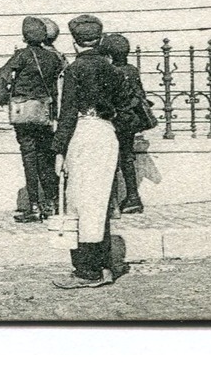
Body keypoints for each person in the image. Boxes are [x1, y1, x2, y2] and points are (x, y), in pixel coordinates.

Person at [50, 14, 127, 287]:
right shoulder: (113, 70)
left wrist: (59, 149)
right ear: (100, 39)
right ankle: (105, 266)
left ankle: (87, 271)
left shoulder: (74, 70)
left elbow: (67, 112)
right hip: (107, 133)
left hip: (83, 133)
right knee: (101, 201)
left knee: (81, 202)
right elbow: (124, 108)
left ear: (74, 42)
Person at [0, 16, 65, 222]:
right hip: (45, 112)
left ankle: (33, 205)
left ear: (25, 37)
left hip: (23, 113)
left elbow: (2, 75)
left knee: (29, 158)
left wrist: (3, 97)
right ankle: (51, 203)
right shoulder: (54, 58)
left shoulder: (22, 55)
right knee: (46, 157)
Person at [100, 32, 149, 215]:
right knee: (127, 157)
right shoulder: (132, 70)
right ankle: (133, 197)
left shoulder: (110, 72)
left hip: (113, 120)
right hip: (129, 121)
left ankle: (111, 202)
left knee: (110, 160)